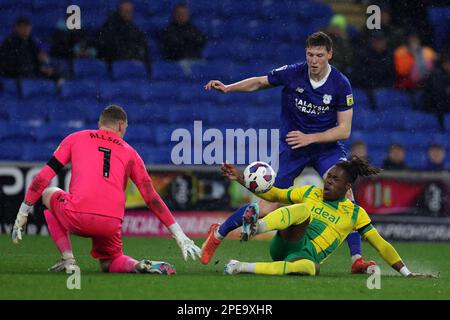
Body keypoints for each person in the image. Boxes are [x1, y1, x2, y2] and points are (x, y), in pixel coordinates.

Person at [202, 31, 375, 274]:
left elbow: (344, 130)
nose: (314, 61)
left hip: (326, 149)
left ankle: (356, 259)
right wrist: (229, 88)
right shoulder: (294, 72)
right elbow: (260, 82)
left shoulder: (340, 83)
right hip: (294, 148)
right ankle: (218, 233)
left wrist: (311, 137)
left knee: (347, 198)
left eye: (319, 56)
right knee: (268, 204)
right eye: (310, 55)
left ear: (330, 55)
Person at [11, 105, 201, 274]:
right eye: (125, 128)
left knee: (47, 193)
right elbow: (151, 198)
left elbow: (42, 178)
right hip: (110, 224)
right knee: (109, 263)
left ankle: (68, 260)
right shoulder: (131, 153)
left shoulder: (75, 138)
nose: (125, 131)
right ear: (120, 125)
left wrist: (23, 211)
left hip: (77, 216)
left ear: (100, 123)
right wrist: (179, 235)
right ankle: (138, 265)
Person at [221, 159, 436, 278]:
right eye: (328, 177)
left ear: (347, 187)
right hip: (288, 241)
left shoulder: (355, 213)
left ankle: (240, 266)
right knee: (303, 210)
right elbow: (274, 194)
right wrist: (240, 177)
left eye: (335, 179)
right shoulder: (310, 192)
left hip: (304, 256)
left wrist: (407, 274)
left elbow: (381, 245)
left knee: (312, 268)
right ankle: (257, 228)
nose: (329, 182)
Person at [97, 0, 150, 70]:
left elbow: (142, 43)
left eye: (131, 11)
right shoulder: (110, 27)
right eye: (126, 11)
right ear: (119, 11)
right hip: (116, 63)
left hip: (132, 61)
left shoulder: (132, 27)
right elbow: (111, 47)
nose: (129, 14)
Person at [422, 52, 450, 130]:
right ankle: (441, 128)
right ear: (445, 64)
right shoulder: (436, 74)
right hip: (433, 104)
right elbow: (439, 92)